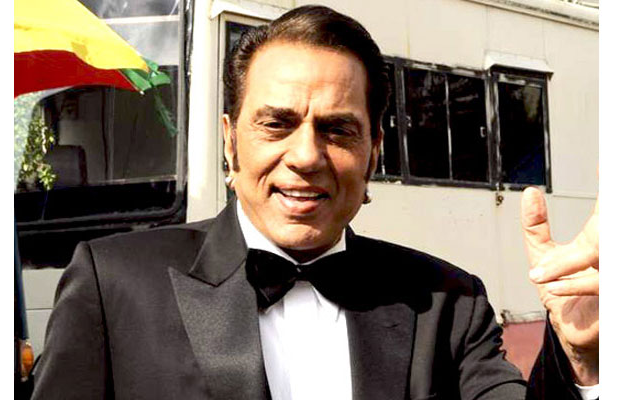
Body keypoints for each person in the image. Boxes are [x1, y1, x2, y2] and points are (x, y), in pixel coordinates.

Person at [31, 5, 599, 400]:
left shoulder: (448, 304)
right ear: (230, 141)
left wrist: (583, 358)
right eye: (276, 124)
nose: (306, 156)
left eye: (337, 129)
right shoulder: (114, 285)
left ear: (374, 152)